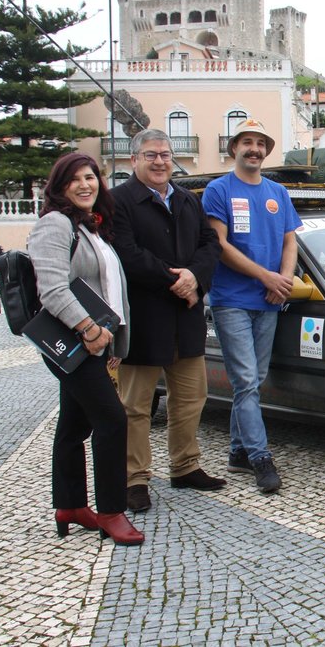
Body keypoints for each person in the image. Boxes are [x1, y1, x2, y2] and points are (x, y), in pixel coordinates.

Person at [28, 153, 143, 546]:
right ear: (58, 187)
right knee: (112, 420)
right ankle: (112, 510)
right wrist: (89, 328)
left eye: (90, 177)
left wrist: (110, 336)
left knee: (74, 424)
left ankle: (70, 505)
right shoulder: (54, 224)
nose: (84, 185)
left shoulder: (89, 226)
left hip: (92, 341)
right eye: (74, 179)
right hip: (72, 342)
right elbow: (52, 289)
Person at [111, 129, 224, 513]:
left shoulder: (188, 200)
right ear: (134, 161)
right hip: (144, 319)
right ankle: (135, 479)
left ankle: (185, 465)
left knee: (191, 398)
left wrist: (196, 277)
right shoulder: (119, 202)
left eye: (165, 154)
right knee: (135, 406)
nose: (160, 161)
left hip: (186, 317)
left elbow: (210, 245)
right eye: (150, 155)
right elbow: (126, 254)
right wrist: (177, 280)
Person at [201, 119, 301, 493]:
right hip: (232, 301)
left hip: (270, 299)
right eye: (247, 142)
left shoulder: (278, 192)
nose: (254, 149)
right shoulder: (218, 190)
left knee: (253, 382)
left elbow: (290, 242)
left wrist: (284, 281)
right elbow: (220, 245)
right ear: (234, 148)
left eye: (260, 143)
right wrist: (266, 277)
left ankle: (237, 452)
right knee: (245, 381)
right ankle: (261, 458)